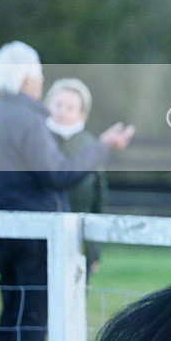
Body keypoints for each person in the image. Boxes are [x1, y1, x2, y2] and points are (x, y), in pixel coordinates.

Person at [0, 41, 135, 341]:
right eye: (39, 74)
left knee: (12, 316)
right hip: (34, 237)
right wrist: (103, 146)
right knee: (33, 321)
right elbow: (58, 175)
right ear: (27, 78)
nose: (41, 80)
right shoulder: (28, 119)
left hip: (2, 232)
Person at [45, 78, 108, 278]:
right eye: (58, 104)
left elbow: (98, 202)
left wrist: (94, 251)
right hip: (37, 240)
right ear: (48, 105)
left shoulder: (91, 147)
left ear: (82, 114)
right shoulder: (34, 140)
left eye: (70, 107)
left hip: (78, 242)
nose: (62, 111)